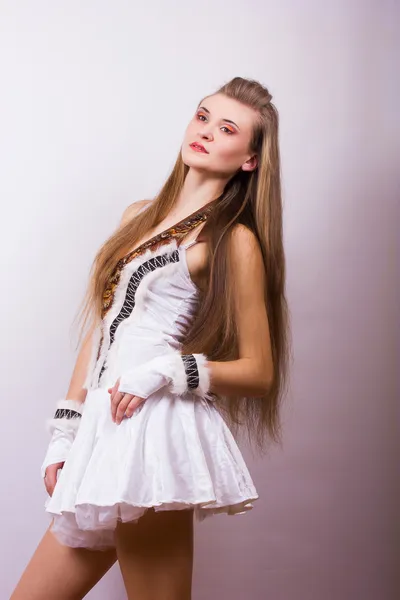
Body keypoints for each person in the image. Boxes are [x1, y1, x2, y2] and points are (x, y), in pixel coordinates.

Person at [11, 76, 290, 600]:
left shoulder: (233, 240)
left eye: (227, 128)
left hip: (151, 434)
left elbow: (258, 371)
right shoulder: (137, 217)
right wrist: (66, 430)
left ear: (249, 159)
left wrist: (165, 370)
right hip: (103, 431)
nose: (206, 131)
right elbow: (101, 330)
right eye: (202, 116)